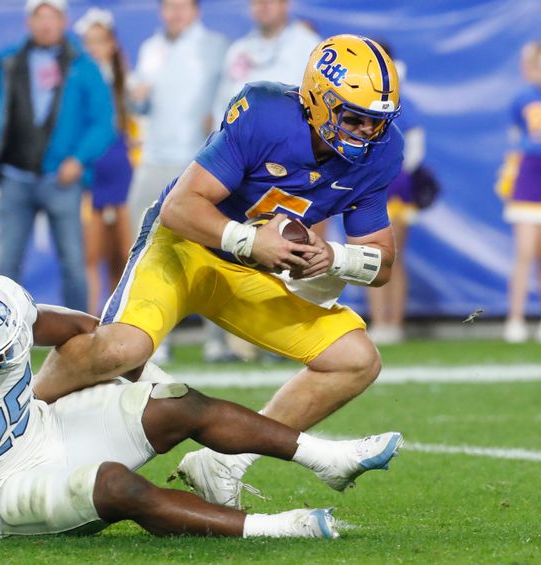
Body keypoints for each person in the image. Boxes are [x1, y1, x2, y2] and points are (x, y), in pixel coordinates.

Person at [34, 34, 404, 508]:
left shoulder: (380, 153)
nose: (366, 133)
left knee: (357, 360)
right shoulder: (267, 114)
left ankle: (224, 463)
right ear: (317, 100)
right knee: (123, 348)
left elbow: (383, 262)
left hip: (251, 270)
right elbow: (180, 207)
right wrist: (251, 239)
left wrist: (336, 257)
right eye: (355, 117)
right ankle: (20, 416)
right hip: (185, 246)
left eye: (376, 123)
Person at [0, 269, 403, 543]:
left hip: (42, 431)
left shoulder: (0, 322)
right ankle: (277, 529)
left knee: (174, 403)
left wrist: (148, 381)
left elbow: (81, 328)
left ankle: (323, 456)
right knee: (116, 486)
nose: (18, 345)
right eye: (2, 346)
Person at [0, 0, 114, 313]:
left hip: (62, 179)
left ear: (64, 20)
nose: (45, 23)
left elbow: (103, 122)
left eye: (52, 16)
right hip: (15, 176)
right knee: (7, 264)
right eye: (39, 16)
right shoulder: (8, 62)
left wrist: (79, 159)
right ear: (29, 22)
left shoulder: (83, 65)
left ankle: (80, 336)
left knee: (73, 261)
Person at [205, 0, 319, 362]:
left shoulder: (309, 46)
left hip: (298, 169)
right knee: (232, 246)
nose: (263, 6)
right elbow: (222, 106)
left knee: (298, 247)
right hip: (241, 165)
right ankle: (238, 340)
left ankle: (294, 335)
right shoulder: (240, 50)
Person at [126, 0, 227, 362]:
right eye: (169, 7)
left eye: (181, 6)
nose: (175, 13)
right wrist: (134, 97)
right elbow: (138, 105)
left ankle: (218, 340)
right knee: (144, 251)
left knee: (212, 249)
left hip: (199, 161)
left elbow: (228, 94)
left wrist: (218, 120)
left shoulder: (215, 46)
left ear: (195, 10)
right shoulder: (152, 48)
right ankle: (151, 337)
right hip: (154, 158)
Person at [74, 8, 135, 315]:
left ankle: (117, 317)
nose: (94, 47)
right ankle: (89, 318)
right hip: (90, 174)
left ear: (111, 43)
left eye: (100, 40)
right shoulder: (76, 82)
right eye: (89, 41)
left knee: (123, 254)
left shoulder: (124, 81)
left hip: (121, 174)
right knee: (91, 253)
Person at [366, 47, 426, 345]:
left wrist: (397, 171)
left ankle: (394, 323)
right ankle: (379, 321)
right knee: (370, 257)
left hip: (394, 187)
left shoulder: (401, 100)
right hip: (368, 184)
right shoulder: (359, 97)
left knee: (392, 256)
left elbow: (414, 144)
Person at [499, 41, 541, 343]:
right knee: (524, 251)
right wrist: (509, 170)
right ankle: (515, 319)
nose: (527, 69)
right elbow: (515, 139)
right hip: (528, 178)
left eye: (533, 63)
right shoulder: (521, 99)